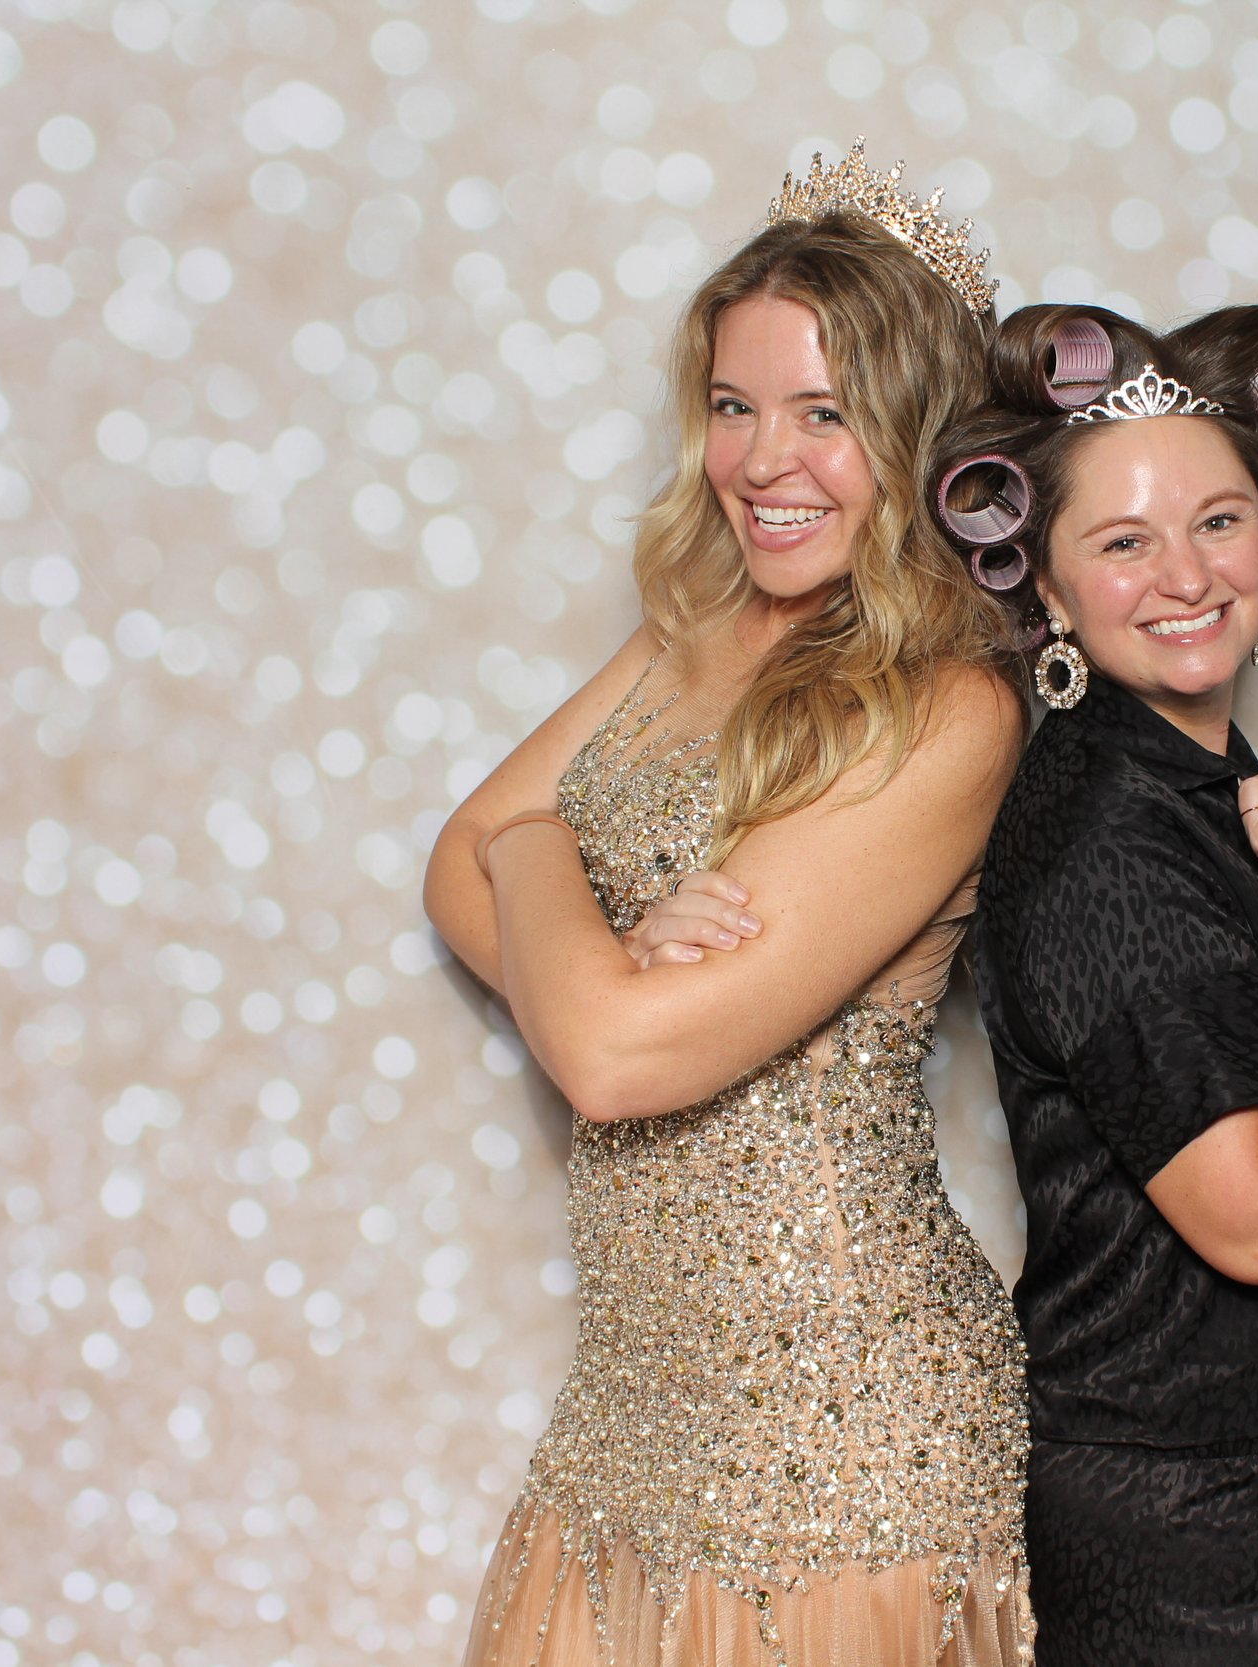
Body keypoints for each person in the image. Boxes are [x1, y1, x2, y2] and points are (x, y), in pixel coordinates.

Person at [421, 146, 1033, 1666]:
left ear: (921, 436)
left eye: (826, 414)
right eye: (732, 406)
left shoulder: (948, 708)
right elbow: (455, 857)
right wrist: (598, 946)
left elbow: (615, 1057)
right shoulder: (691, 628)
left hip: (840, 1447)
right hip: (633, 1412)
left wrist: (545, 874)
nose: (765, 461)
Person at [945, 304, 1258, 1664]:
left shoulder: (1199, 794)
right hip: (1198, 1515)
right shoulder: (1103, 844)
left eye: (1219, 522)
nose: (1186, 573)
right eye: (1123, 542)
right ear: (1048, 591)